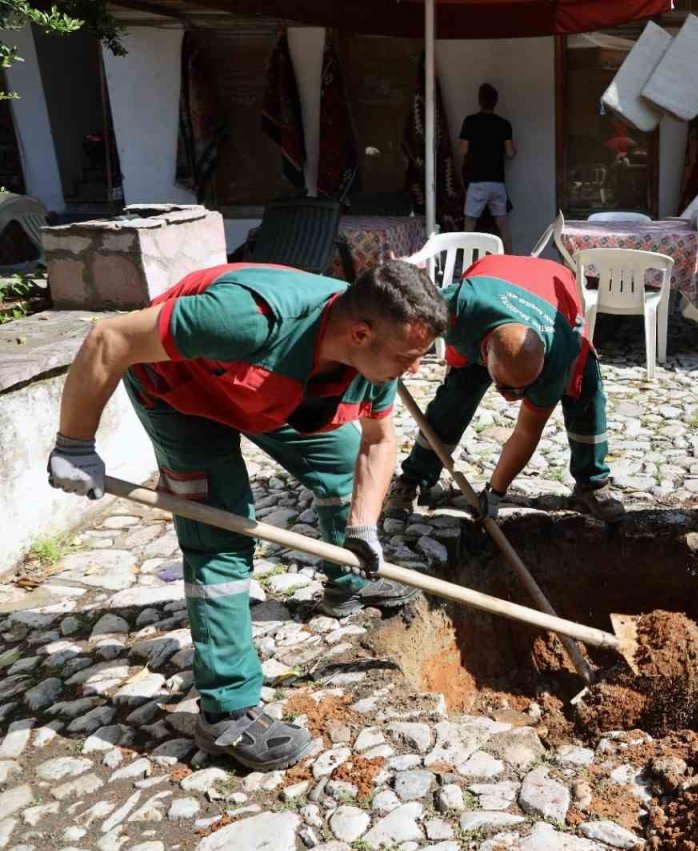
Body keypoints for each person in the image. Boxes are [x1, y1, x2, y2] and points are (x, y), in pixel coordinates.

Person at [46, 260, 448, 771]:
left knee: (344, 468)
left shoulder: (376, 355)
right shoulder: (246, 318)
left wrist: (364, 526)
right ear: (360, 333)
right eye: (408, 357)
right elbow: (109, 338)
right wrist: (74, 443)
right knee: (220, 536)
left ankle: (347, 582)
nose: (414, 368)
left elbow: (378, 441)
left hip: (273, 391)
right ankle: (227, 712)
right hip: (182, 392)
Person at [388, 254, 624, 523]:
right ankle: (414, 479)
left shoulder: (558, 354)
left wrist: (495, 493)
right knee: (453, 400)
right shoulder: (459, 307)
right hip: (492, 277)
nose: (513, 399)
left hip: (553, 287)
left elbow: (527, 431)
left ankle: (591, 484)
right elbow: (410, 314)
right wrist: (407, 354)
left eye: (523, 391)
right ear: (485, 355)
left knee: (585, 391)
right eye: (506, 389)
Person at [460, 83, 516, 253]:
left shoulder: (470, 121)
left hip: (477, 182)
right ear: (495, 102)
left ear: (479, 100)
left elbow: (463, 150)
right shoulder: (504, 124)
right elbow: (510, 152)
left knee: (470, 223)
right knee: (503, 225)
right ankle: (510, 260)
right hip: (497, 182)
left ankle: (466, 263)